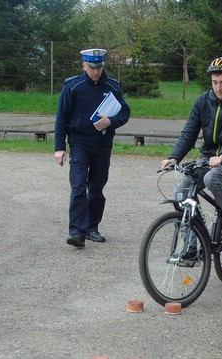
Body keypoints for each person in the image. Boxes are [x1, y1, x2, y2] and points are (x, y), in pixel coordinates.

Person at [161, 56, 222, 247]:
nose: (218, 88)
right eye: (214, 83)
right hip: (209, 156)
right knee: (182, 192)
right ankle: (194, 244)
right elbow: (189, 132)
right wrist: (174, 157)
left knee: (212, 179)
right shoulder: (202, 102)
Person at [54, 48, 131, 248]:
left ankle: (91, 228)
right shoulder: (73, 86)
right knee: (78, 186)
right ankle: (76, 232)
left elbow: (125, 112)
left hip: (103, 145)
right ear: (84, 65)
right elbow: (61, 118)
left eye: (99, 67)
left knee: (96, 187)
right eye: (91, 67)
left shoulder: (113, 86)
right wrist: (59, 147)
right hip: (80, 143)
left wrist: (110, 121)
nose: (95, 71)